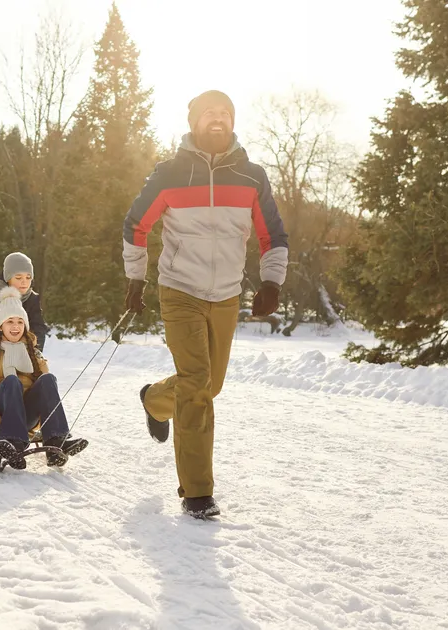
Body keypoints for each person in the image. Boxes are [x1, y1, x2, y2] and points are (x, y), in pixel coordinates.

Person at [121, 89, 289, 519]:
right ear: (194, 121)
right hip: (180, 289)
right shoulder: (170, 174)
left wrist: (272, 281)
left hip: (226, 294)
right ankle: (197, 492)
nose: (218, 119)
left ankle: (155, 400)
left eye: (224, 113)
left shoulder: (252, 176)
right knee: (197, 385)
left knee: (209, 386)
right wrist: (136, 277)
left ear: (232, 121)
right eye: (209, 113)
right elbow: (136, 225)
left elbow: (272, 234)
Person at [0, 286, 88, 469]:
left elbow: (47, 396)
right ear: (1, 327)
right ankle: (12, 442)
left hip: (27, 415)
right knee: (11, 381)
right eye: (10, 321)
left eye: (20, 322)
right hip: (4, 417)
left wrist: (44, 427)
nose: (16, 326)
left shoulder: (34, 355)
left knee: (48, 379)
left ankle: (56, 443)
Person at [0, 252, 48, 353]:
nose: (24, 282)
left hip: (23, 349)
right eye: (18, 278)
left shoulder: (32, 298)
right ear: (8, 278)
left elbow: (38, 326)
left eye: (28, 277)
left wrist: (36, 348)